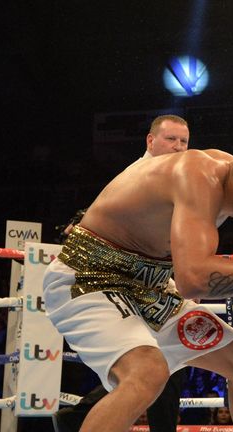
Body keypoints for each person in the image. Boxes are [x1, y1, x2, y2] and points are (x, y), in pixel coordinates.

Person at [43, 132, 233, 431]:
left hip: (147, 287)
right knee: (148, 372)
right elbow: (192, 280)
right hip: (89, 278)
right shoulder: (197, 177)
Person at [53, 114, 192, 432]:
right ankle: (80, 416)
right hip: (120, 281)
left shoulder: (172, 176)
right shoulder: (142, 174)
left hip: (143, 280)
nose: (178, 147)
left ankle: (79, 415)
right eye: (171, 139)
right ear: (151, 141)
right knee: (163, 361)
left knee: (163, 361)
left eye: (184, 141)